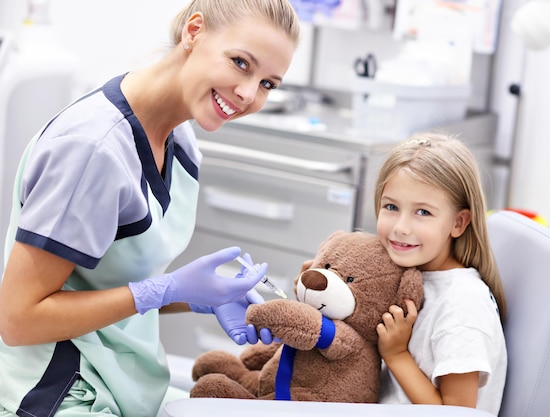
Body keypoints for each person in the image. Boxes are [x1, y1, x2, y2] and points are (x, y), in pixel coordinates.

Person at [0, 0, 300, 416]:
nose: (249, 94)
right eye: (240, 63)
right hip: (62, 394)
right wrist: (166, 289)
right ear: (193, 32)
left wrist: (200, 294)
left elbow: (113, 283)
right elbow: (18, 320)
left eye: (268, 83)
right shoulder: (93, 150)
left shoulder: (181, 139)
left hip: (129, 386)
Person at [374, 133, 507, 414]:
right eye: (391, 207)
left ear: (458, 223)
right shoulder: (404, 272)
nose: (401, 226)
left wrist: (396, 355)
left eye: (422, 212)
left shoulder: (464, 305)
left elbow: (458, 413)